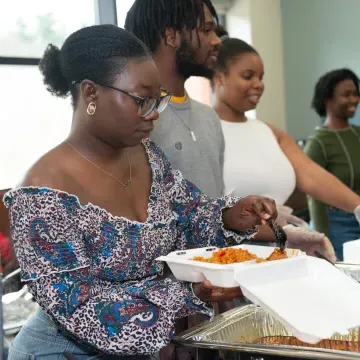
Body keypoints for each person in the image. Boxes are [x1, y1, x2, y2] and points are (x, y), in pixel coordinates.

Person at [3, 25, 278, 359]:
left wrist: (232, 216)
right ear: (91, 93)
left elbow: (188, 217)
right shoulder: (41, 191)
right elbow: (81, 307)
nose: (153, 114)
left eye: (157, 99)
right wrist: (187, 293)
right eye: (141, 100)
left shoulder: (145, 156)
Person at [210, 37, 360, 261]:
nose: (258, 84)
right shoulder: (204, 130)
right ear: (219, 77)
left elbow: (311, 176)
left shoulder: (271, 132)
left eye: (261, 77)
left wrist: (357, 205)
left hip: (283, 249)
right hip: (233, 257)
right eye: (247, 76)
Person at [125, 0, 224, 198]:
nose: (217, 41)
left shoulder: (209, 117)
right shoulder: (137, 119)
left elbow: (217, 206)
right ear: (171, 37)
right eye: (206, 30)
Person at [304, 69, 360, 260]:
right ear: (327, 99)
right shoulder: (318, 142)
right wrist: (321, 238)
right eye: (346, 95)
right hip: (338, 226)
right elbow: (314, 195)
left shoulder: (358, 133)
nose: (353, 99)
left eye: (355, 94)